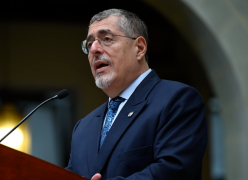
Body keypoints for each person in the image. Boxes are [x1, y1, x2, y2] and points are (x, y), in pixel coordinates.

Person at [66, 9, 207, 180]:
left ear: (139, 48)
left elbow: (175, 171)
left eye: (107, 39)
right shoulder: (83, 128)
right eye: (89, 44)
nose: (94, 49)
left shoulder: (177, 100)